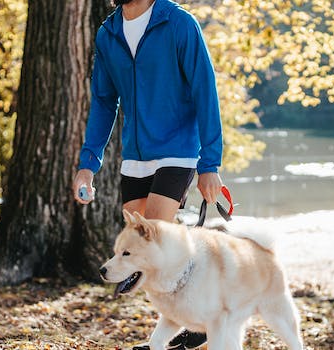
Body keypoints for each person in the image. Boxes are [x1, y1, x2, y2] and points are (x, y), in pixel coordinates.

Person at [72, 0, 222, 348]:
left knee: (150, 242)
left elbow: (205, 89)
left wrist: (209, 164)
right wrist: (87, 165)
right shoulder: (108, 33)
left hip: (178, 150)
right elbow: (104, 101)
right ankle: (196, 317)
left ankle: (179, 332)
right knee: (149, 248)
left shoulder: (179, 24)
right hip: (135, 157)